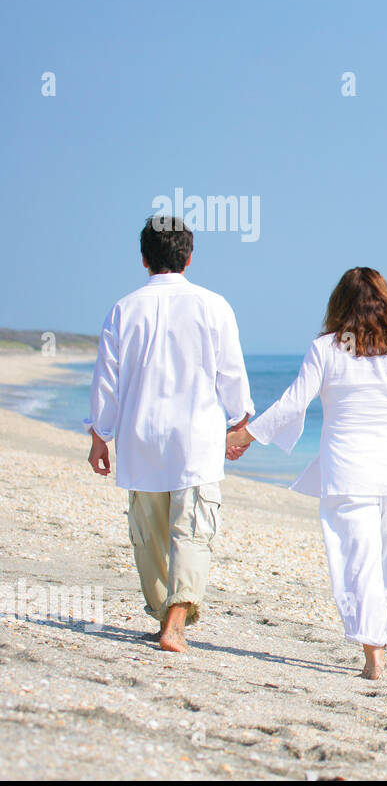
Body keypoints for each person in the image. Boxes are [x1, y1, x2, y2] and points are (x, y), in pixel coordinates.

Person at [225, 267, 387, 680]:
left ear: (339, 303)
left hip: (348, 471)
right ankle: (376, 645)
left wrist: (245, 436)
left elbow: (294, 403)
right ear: (386, 303)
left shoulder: (326, 348)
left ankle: (374, 653)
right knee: (386, 564)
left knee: (359, 562)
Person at [86, 216, 255, 653]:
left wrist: (100, 436)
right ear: (190, 256)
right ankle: (175, 621)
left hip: (139, 437)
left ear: (143, 258)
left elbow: (108, 379)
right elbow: (230, 372)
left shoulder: (123, 308)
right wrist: (240, 420)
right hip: (195, 438)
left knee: (150, 537)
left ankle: (166, 614)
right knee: (193, 530)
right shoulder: (214, 305)